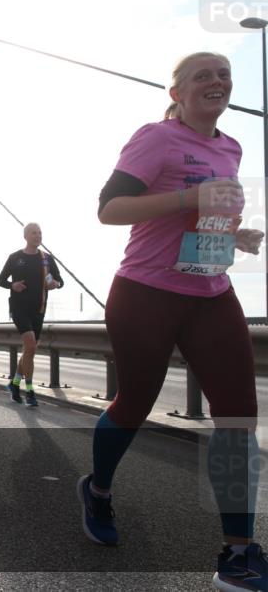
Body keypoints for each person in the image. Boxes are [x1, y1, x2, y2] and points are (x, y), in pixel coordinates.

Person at [78, 52, 265, 591]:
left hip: (210, 291)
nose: (217, 81)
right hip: (146, 291)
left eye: (224, 73)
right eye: (203, 75)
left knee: (237, 415)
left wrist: (234, 237)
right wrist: (188, 195)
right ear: (178, 92)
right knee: (135, 402)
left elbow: (204, 218)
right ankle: (99, 491)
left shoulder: (231, 146)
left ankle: (239, 553)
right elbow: (109, 209)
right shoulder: (156, 138)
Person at [0, 223, 63, 408]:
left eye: (40, 232)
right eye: (34, 232)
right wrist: (13, 285)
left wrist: (54, 284)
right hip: (19, 308)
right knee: (31, 345)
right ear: (25, 235)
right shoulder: (15, 257)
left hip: (39, 309)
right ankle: (30, 391)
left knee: (29, 349)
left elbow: (60, 281)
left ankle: (14, 384)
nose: (38, 235)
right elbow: (0, 280)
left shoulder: (46, 258)